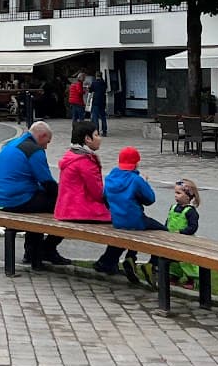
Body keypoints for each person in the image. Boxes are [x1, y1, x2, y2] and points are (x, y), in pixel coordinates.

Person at [0, 121, 66, 270]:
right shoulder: (33, 150)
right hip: (17, 200)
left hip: (1, 198)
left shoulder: (12, 144)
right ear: (42, 136)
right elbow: (47, 182)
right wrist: (64, 196)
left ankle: (31, 252)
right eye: (47, 142)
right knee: (65, 207)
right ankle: (47, 249)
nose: (46, 147)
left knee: (39, 205)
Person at [56, 121, 122, 275]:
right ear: (87, 139)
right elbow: (98, 193)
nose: (100, 138)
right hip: (82, 210)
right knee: (126, 221)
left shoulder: (71, 155)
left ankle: (46, 249)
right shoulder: (85, 161)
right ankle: (107, 261)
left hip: (67, 208)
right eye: (97, 135)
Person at [104, 147, 158, 283]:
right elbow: (150, 199)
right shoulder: (136, 179)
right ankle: (152, 264)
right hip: (136, 220)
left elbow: (104, 197)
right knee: (163, 230)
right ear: (136, 163)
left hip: (117, 221)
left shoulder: (111, 177)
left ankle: (131, 257)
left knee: (131, 234)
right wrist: (145, 182)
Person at [155, 178, 202, 289]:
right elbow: (169, 220)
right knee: (172, 259)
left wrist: (181, 232)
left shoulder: (190, 211)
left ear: (188, 196)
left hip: (185, 240)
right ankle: (174, 276)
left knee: (186, 261)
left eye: (178, 193)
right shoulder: (173, 207)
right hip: (172, 238)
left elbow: (193, 227)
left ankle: (191, 279)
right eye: (175, 193)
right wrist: (165, 229)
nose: (175, 195)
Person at [89, 72, 108, 137]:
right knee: (103, 117)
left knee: (95, 117)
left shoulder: (94, 83)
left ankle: (96, 131)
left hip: (95, 102)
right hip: (102, 102)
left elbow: (90, 90)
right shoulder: (104, 83)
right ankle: (104, 131)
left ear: (96, 76)